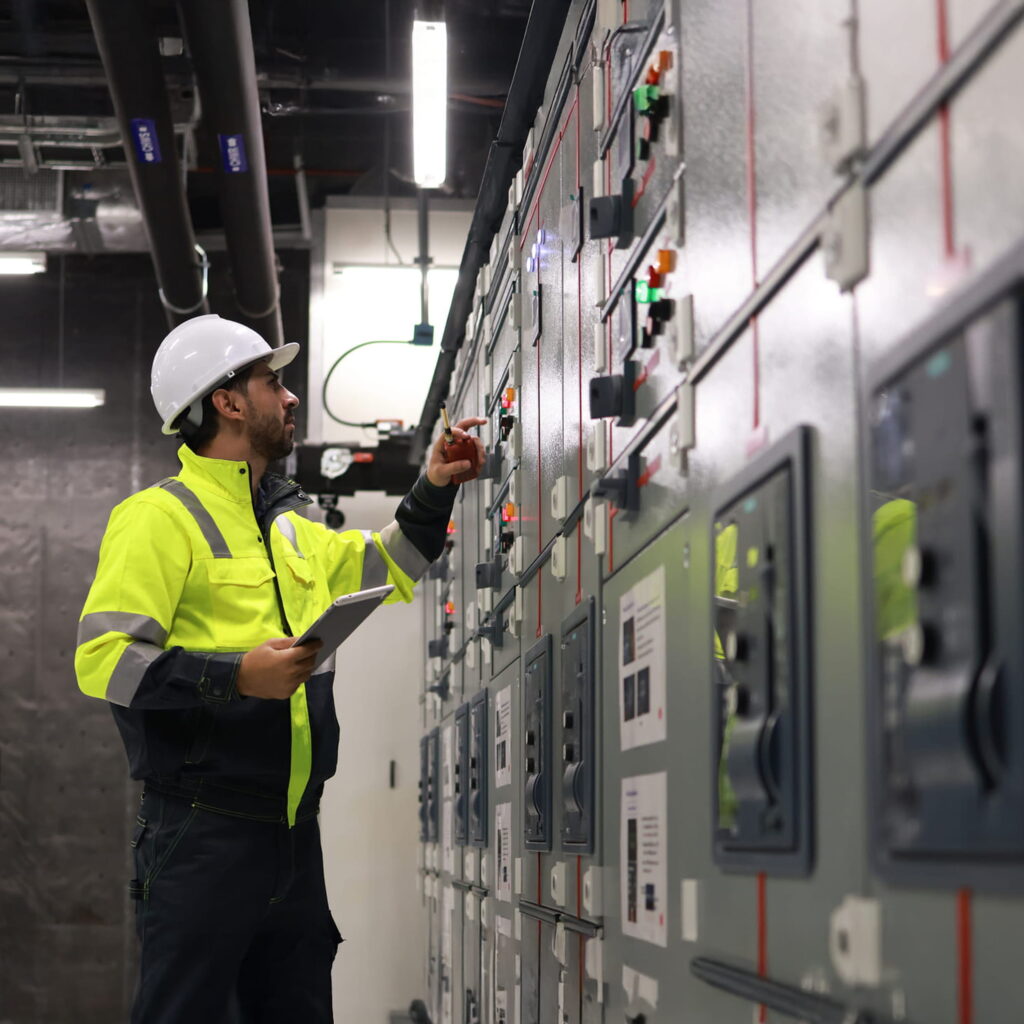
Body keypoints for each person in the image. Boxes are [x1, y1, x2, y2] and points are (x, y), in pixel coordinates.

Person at [74, 313, 484, 1024]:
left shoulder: (292, 526)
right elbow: (105, 659)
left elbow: (390, 564)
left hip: (293, 835)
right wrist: (235, 675)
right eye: (273, 382)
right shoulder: (157, 518)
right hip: (200, 835)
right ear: (227, 401)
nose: (290, 397)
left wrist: (434, 486)